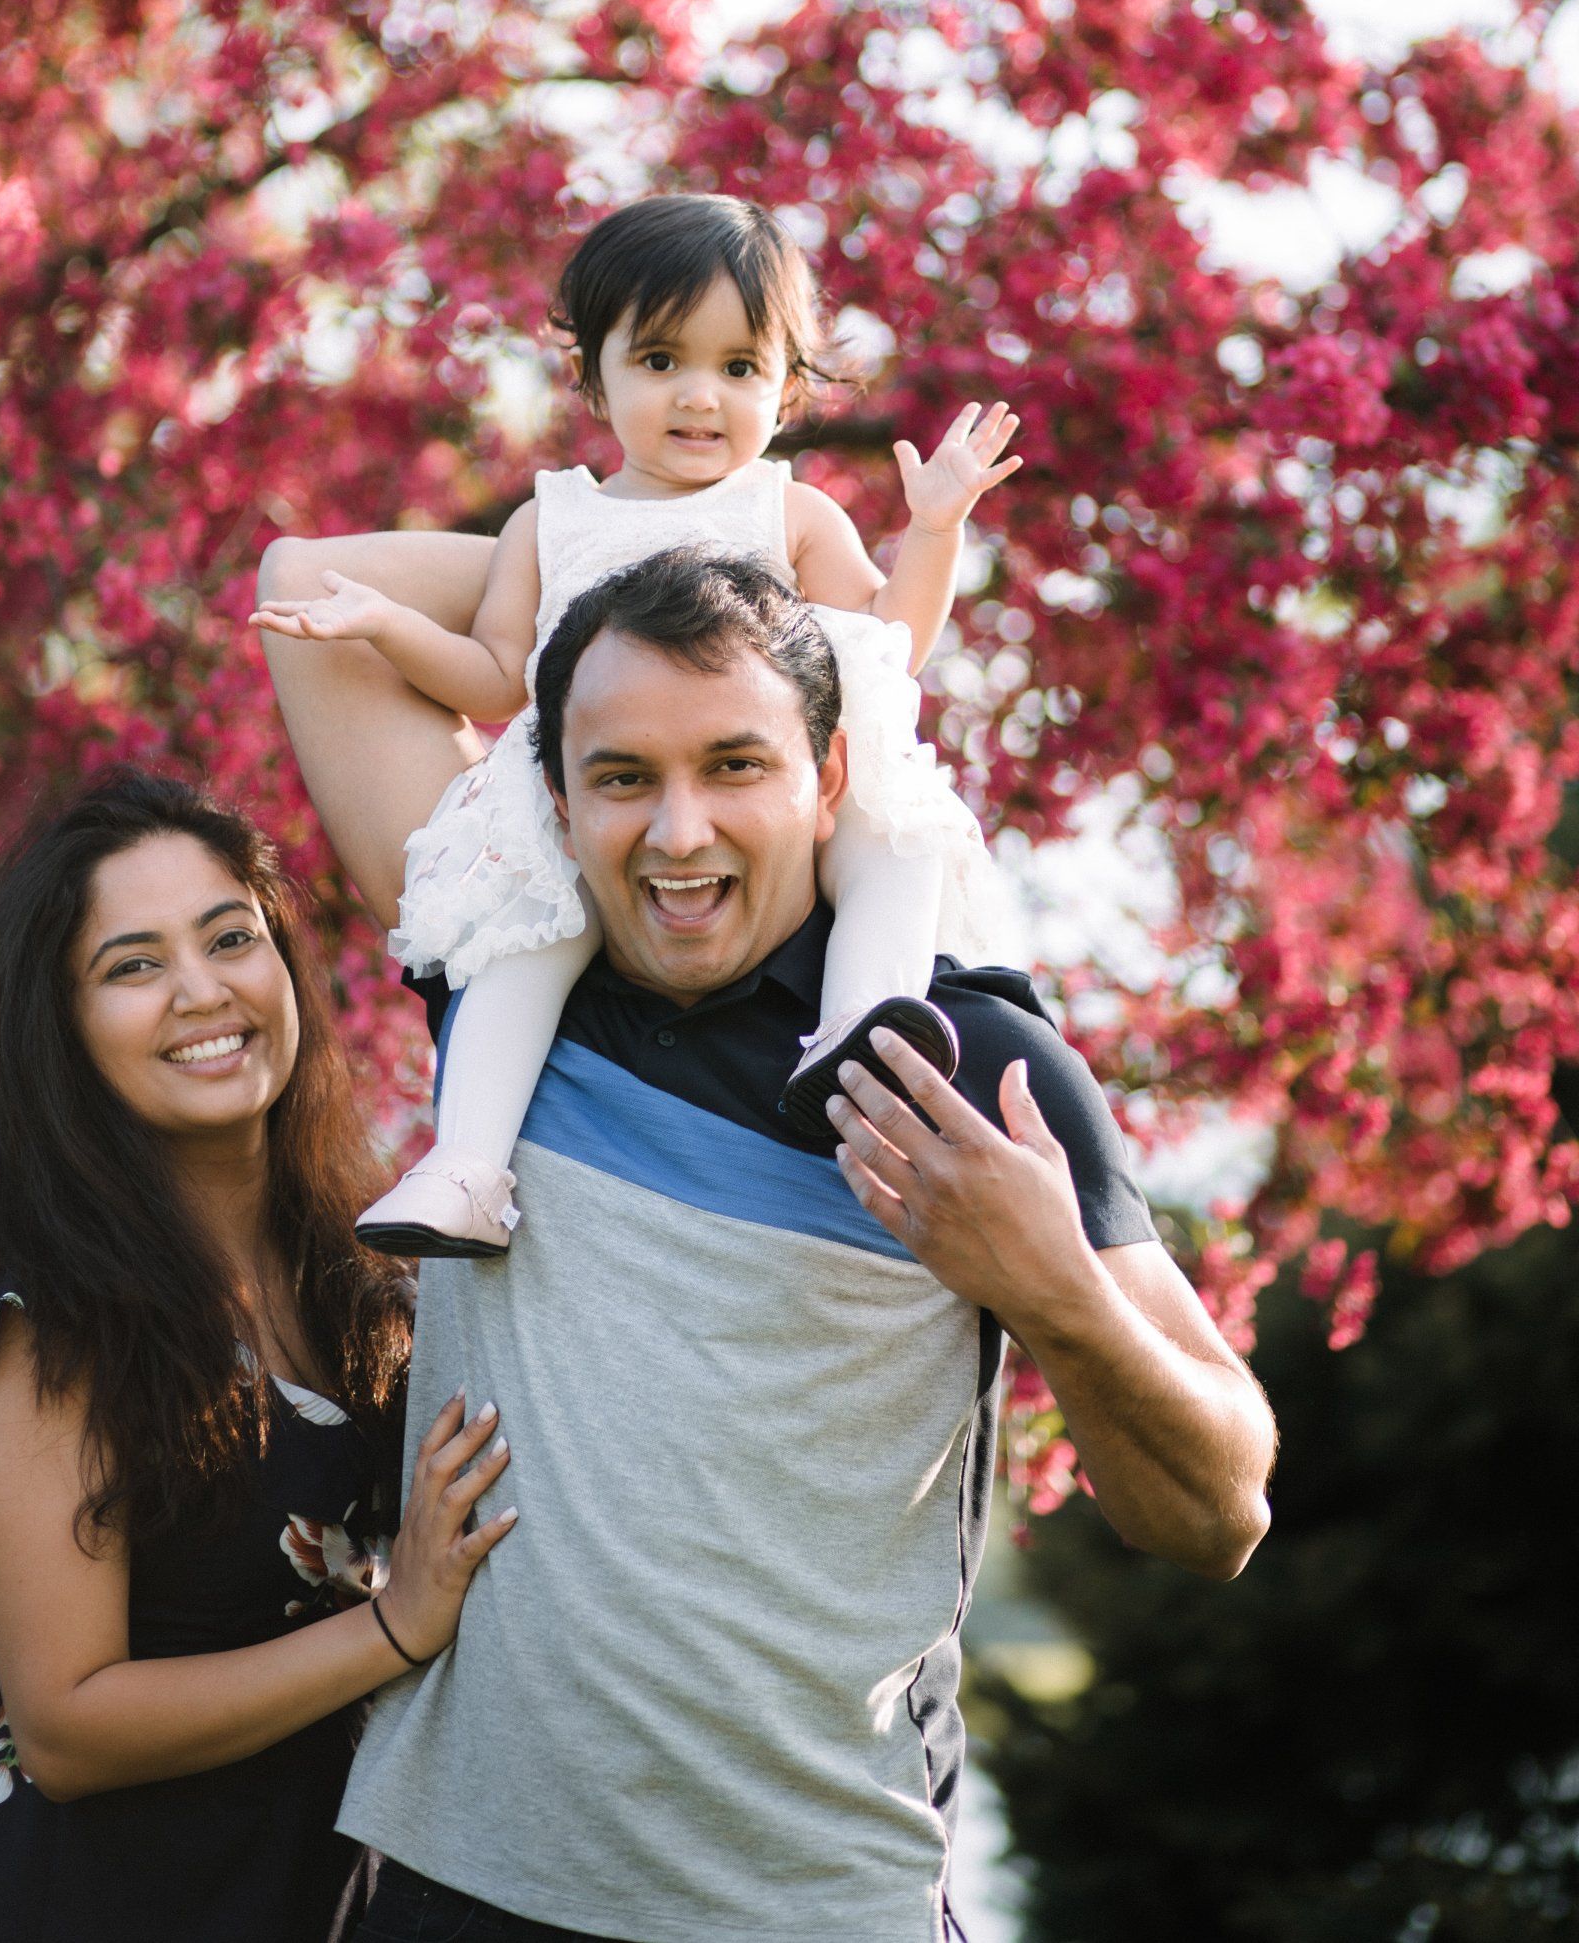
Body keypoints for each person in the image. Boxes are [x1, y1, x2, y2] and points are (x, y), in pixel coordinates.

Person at [257, 546, 1277, 1943]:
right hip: (458, 1889)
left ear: (833, 779)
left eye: (736, 763)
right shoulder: (494, 986)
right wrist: (651, 507)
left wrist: (1058, 1294)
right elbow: (306, 579)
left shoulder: (966, 1061)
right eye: (623, 776)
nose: (679, 833)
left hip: (816, 1902)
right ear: (555, 802)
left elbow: (1219, 1509)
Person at [252, 191, 1021, 1256]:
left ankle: (856, 1028)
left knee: (890, 839)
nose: (699, 398)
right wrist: (382, 626)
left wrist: (934, 528)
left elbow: (891, 639)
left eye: (740, 369)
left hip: (777, 787)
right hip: (594, 800)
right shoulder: (551, 519)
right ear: (593, 371)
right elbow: (491, 680)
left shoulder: (790, 513)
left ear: (789, 389)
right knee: (526, 939)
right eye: (660, 361)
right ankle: (468, 1166)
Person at [0, 767, 517, 1943]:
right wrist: (392, 1625)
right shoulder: (45, 1326)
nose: (202, 993)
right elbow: (66, 1726)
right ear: (63, 1025)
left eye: (230, 938)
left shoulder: (367, 1288)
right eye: (133, 965)